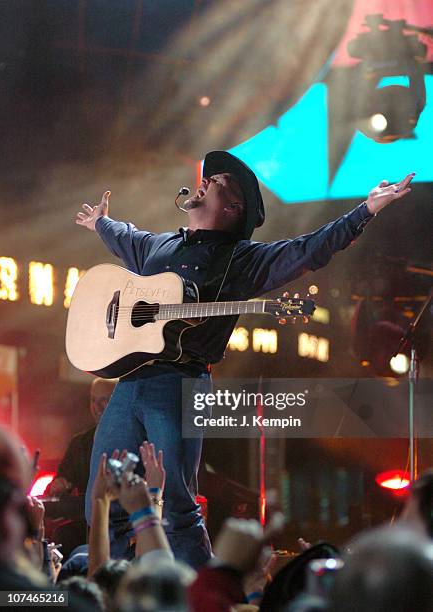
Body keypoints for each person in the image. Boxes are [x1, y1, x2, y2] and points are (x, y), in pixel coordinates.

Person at [75, 150, 414, 568]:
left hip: (181, 385)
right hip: (129, 383)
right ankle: (106, 587)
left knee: (177, 503)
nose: (204, 181)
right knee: (102, 500)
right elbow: (125, 237)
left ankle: (205, 595)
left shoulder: (242, 259)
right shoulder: (157, 245)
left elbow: (308, 250)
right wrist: (100, 224)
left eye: (215, 182)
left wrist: (365, 210)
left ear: (232, 208)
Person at [47, 378, 116, 497]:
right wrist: (58, 485)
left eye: (104, 400)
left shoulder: (135, 440)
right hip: (84, 514)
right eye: (93, 400)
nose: (96, 406)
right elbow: (60, 482)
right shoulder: (79, 444)